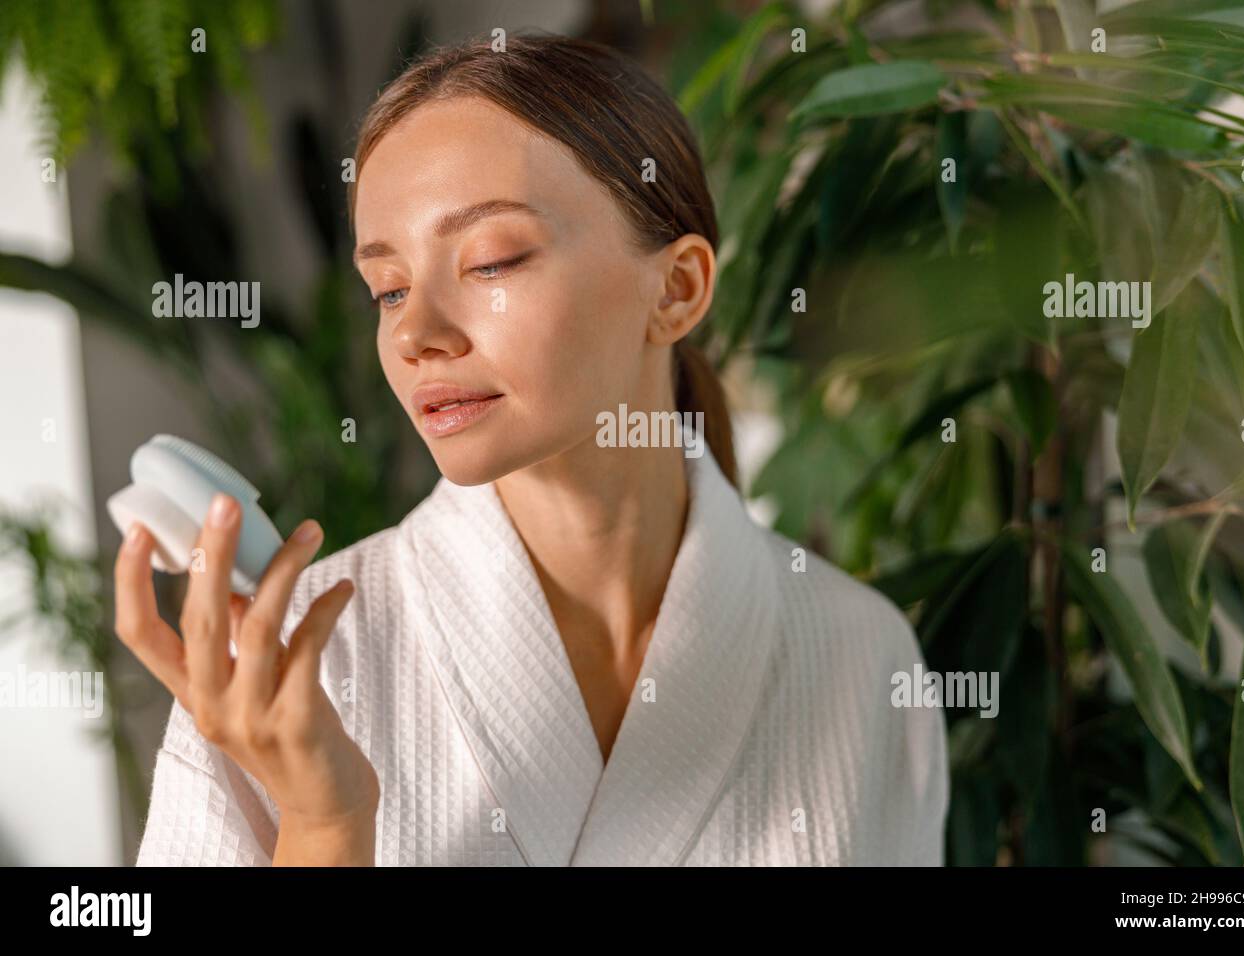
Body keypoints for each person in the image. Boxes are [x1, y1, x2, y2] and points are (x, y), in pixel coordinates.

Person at [118, 32, 948, 866]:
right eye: (389, 288)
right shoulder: (288, 672)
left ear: (677, 289)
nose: (414, 333)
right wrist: (327, 825)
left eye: (490, 261)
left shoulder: (860, 655)